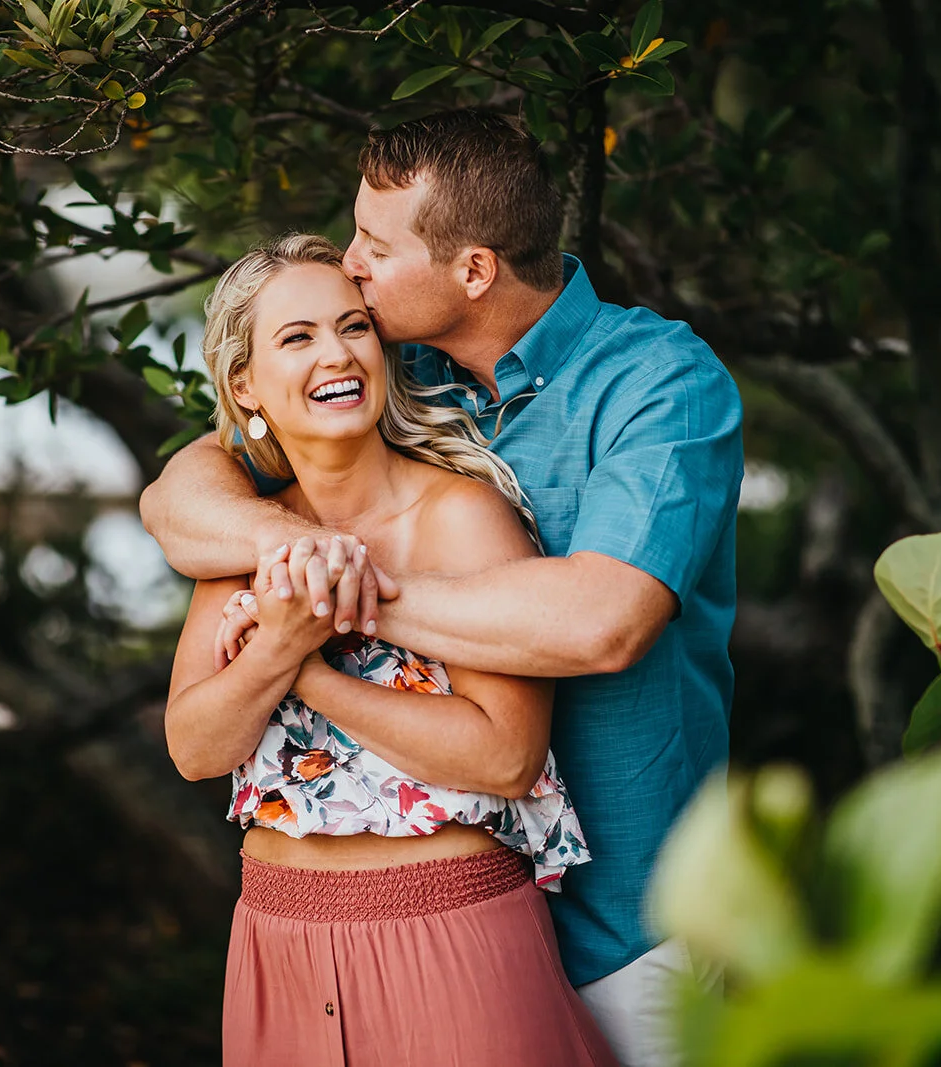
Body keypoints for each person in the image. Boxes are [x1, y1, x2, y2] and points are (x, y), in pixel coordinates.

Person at [141, 109, 743, 1067]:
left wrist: (331, 602)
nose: (353, 265)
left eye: (375, 245)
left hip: (630, 915)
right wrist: (291, 545)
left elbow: (602, 624)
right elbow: (178, 499)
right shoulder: (389, 365)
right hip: (373, 916)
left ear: (472, 271)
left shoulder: (657, 383)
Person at [164, 233, 617, 1066]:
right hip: (277, 944)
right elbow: (195, 747)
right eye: (296, 337)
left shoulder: (461, 517)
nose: (335, 353)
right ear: (243, 383)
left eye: (353, 327)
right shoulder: (243, 535)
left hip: (448, 937)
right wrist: (275, 654)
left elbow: (507, 754)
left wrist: (307, 667)